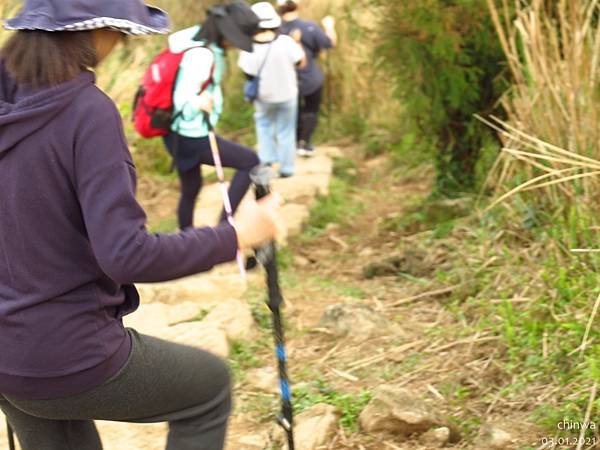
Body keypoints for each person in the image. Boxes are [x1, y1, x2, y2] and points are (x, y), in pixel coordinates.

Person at [0, 1, 280, 450]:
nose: (117, 46)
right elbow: (125, 254)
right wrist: (237, 235)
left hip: (8, 361)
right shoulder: (85, 113)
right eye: (120, 33)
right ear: (95, 32)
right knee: (207, 388)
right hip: (68, 355)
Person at [165, 2, 262, 230]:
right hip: (192, 136)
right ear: (225, 33)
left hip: (174, 133)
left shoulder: (192, 41)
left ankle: (186, 240)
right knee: (250, 161)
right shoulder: (202, 55)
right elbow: (183, 99)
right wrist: (198, 102)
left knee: (191, 188)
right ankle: (224, 228)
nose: (235, 46)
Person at [238, 2, 306, 178]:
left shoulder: (248, 47)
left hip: (264, 97)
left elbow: (248, 73)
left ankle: (267, 162)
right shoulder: (286, 42)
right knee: (286, 130)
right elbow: (301, 63)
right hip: (287, 94)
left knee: (264, 126)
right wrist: (297, 43)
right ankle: (287, 169)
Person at [277, 0, 337, 157]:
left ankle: (293, 142)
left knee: (291, 112)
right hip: (311, 79)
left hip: (285, 81)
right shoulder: (309, 27)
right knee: (311, 110)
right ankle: (304, 143)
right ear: (298, 5)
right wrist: (329, 26)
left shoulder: (275, 31)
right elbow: (330, 43)